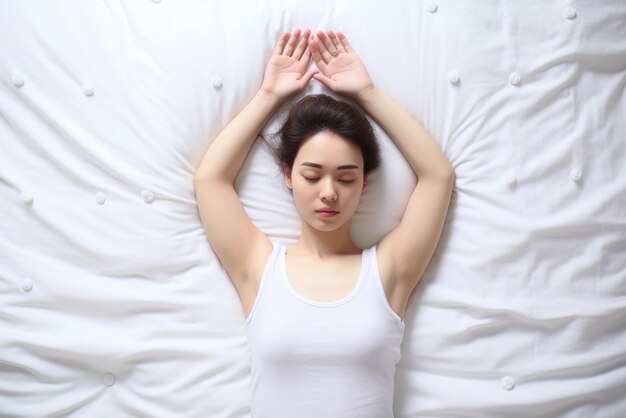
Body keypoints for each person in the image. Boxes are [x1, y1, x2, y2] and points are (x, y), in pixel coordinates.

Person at [193, 29, 454, 418]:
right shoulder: (259, 269)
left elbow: (438, 176)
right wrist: (269, 96)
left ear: (364, 183)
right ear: (288, 175)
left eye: (346, 178)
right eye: (312, 176)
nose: (329, 192)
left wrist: (367, 93)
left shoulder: (388, 270)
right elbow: (209, 180)